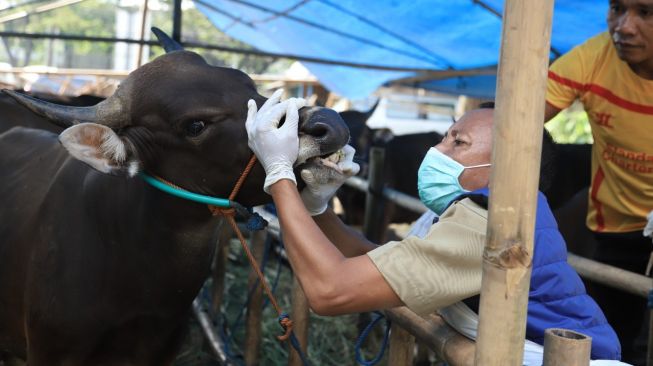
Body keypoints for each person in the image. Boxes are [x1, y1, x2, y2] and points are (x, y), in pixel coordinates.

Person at [245, 94, 623, 364]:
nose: (438, 151)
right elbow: (376, 261)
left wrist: (280, 177)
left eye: (459, 142)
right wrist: (318, 208)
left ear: (507, 168)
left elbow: (331, 292)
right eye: (445, 137)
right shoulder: (480, 212)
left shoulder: (494, 222)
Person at [545, 1, 653, 362]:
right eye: (617, 9)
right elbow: (512, 117)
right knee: (614, 345)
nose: (624, 26)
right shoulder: (594, 57)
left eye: (646, 12)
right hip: (616, 228)